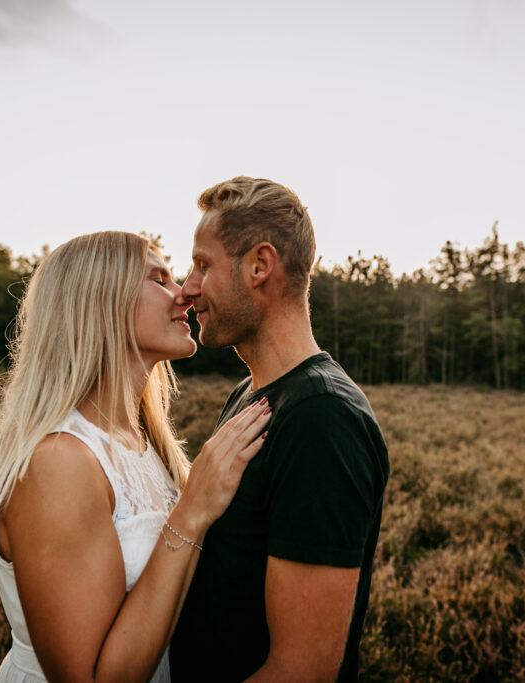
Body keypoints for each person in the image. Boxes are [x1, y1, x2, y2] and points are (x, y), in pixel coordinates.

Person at [0, 231, 272, 682]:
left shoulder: (147, 444)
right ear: (101, 301)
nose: (184, 291)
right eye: (159, 280)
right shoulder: (59, 461)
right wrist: (192, 511)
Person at [170, 177, 390, 682]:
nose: (187, 287)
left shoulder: (322, 418)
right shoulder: (253, 392)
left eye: (203, 265)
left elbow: (302, 672)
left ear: (259, 266)